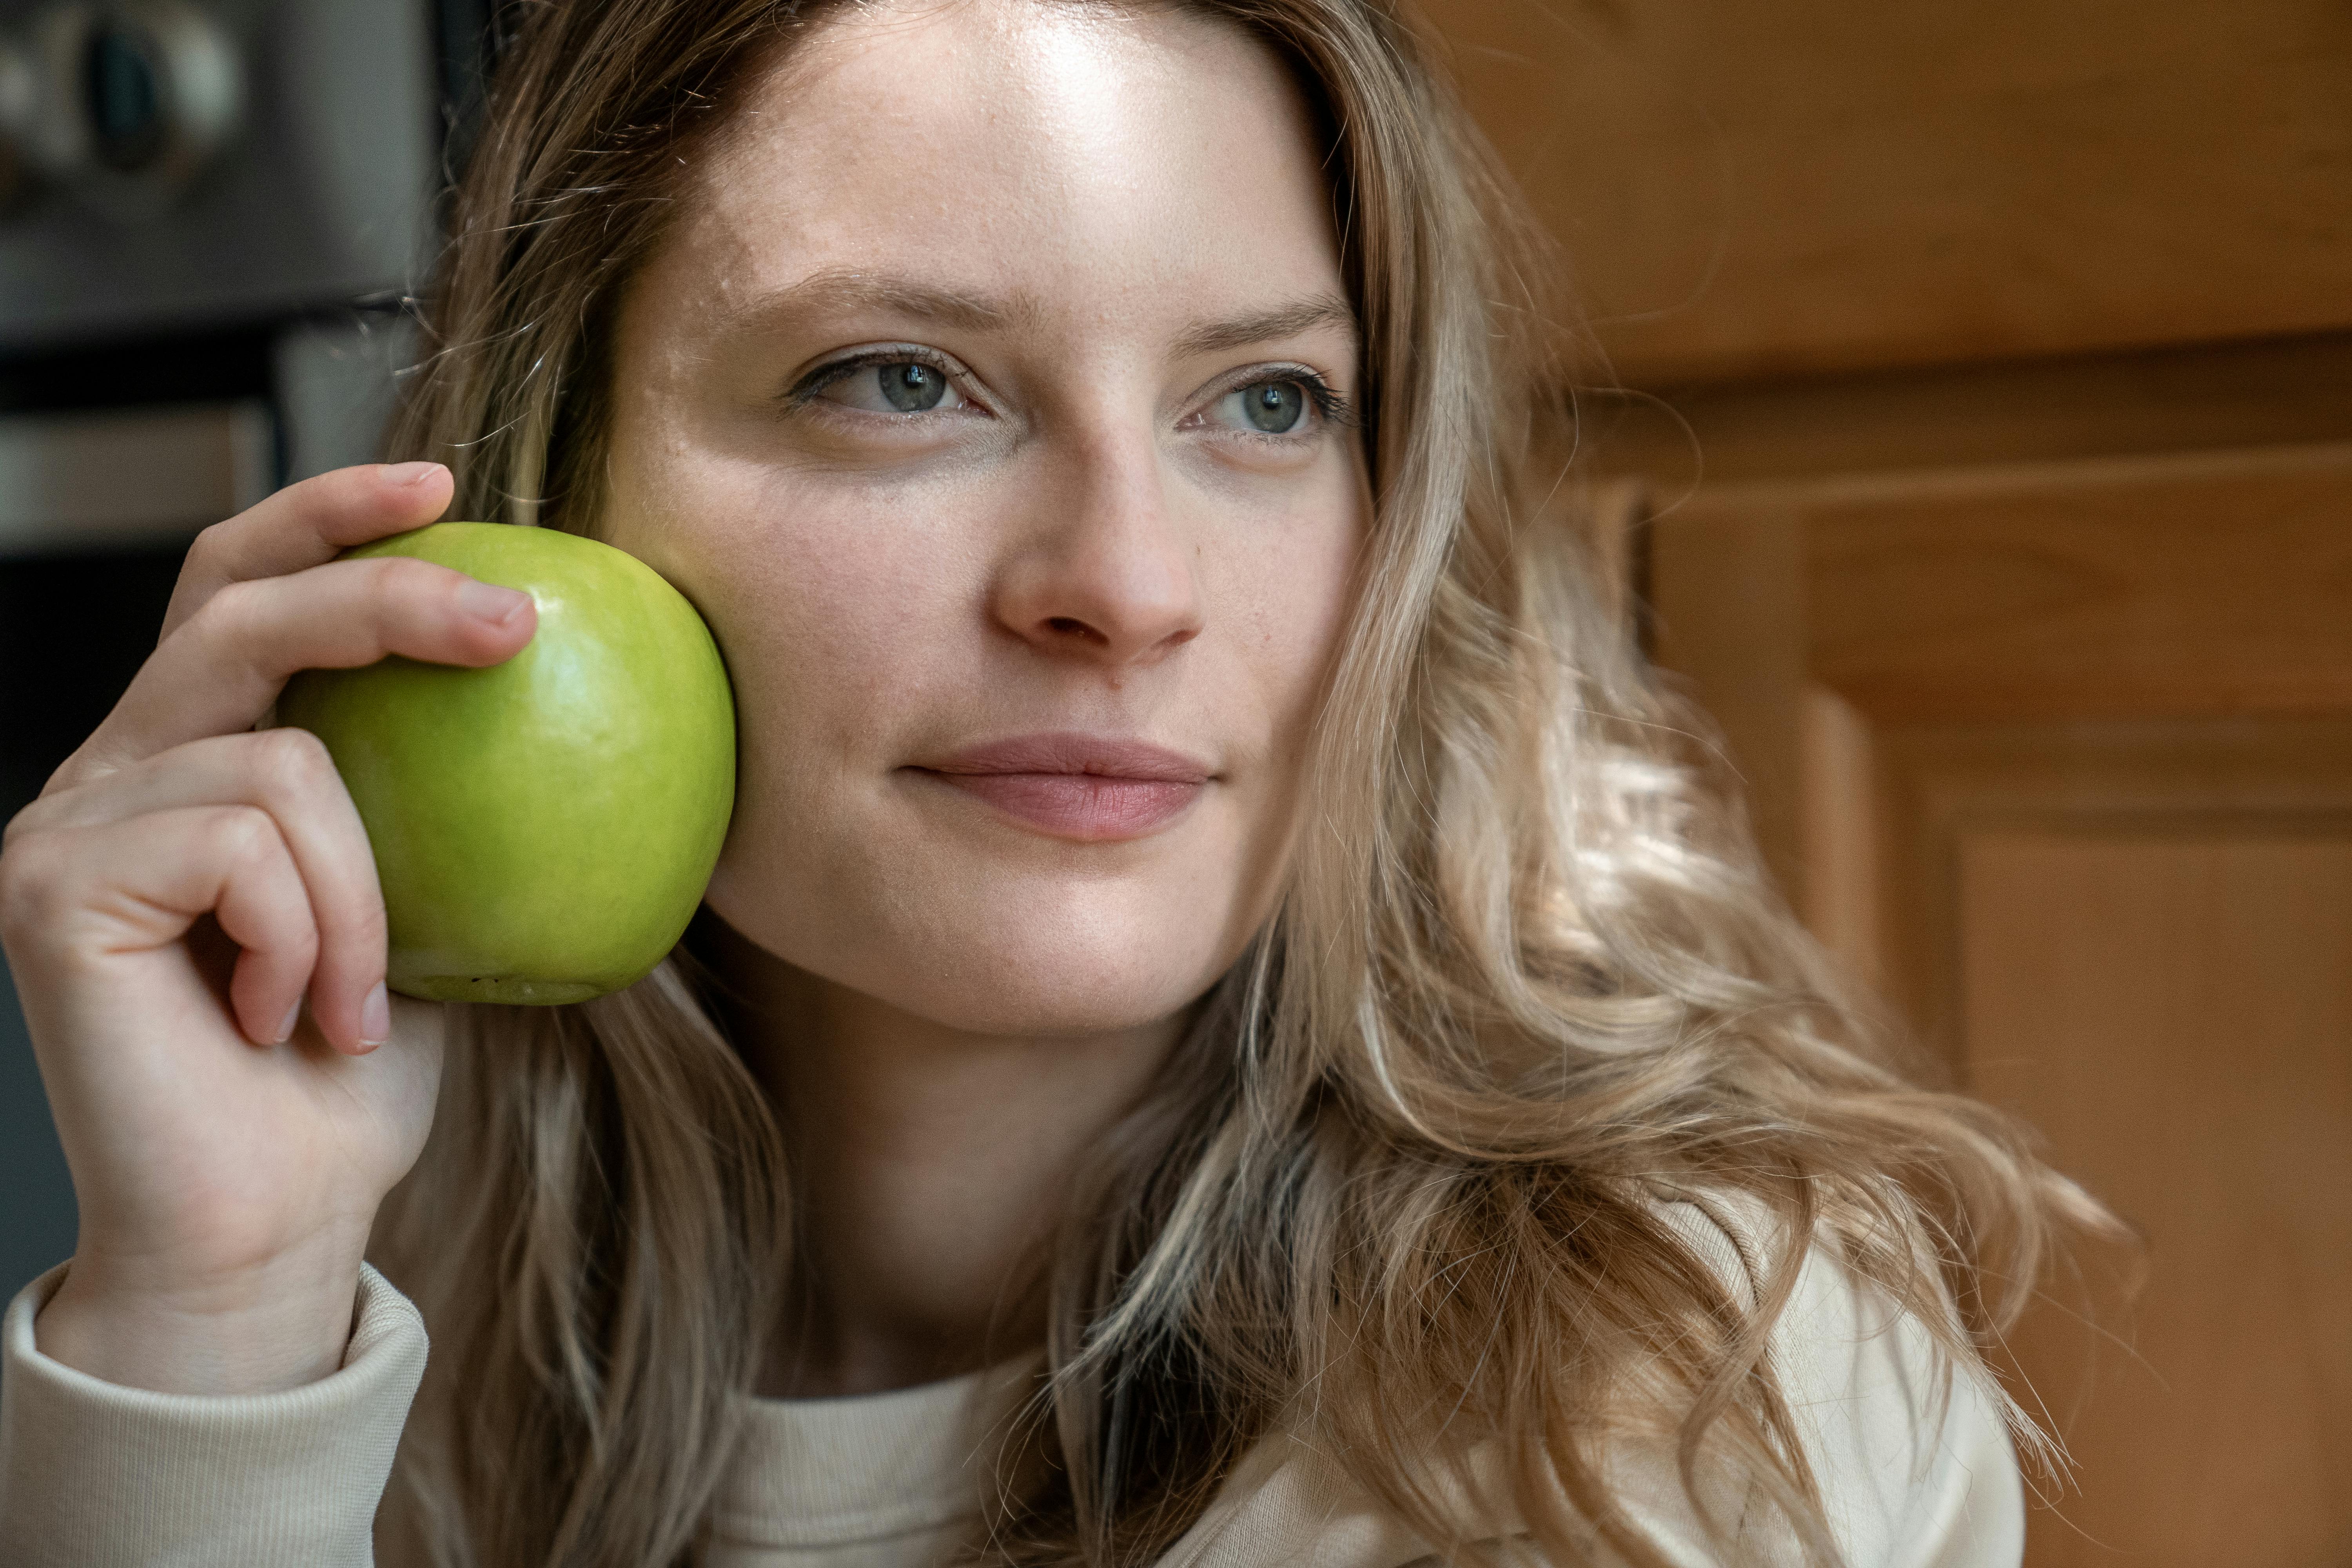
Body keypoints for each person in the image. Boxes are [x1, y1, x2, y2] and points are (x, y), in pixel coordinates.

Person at [0, 1, 2111, 1564]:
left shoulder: (1659, 1407)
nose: (1122, 584)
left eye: (1267, 401)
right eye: (902, 381)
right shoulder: (363, 1348)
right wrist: (211, 1344)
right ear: (563, 503)